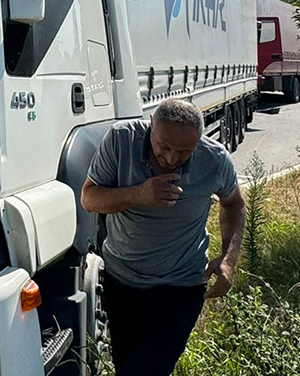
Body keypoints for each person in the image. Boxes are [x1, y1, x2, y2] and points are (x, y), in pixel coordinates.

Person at [82, 99, 246, 376]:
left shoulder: (214, 159)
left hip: (181, 284)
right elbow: (89, 198)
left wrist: (228, 260)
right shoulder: (122, 140)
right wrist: (139, 194)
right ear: (150, 130)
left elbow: (234, 204)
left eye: (184, 152)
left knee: (146, 370)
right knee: (126, 365)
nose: (171, 159)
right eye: (163, 147)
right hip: (122, 279)